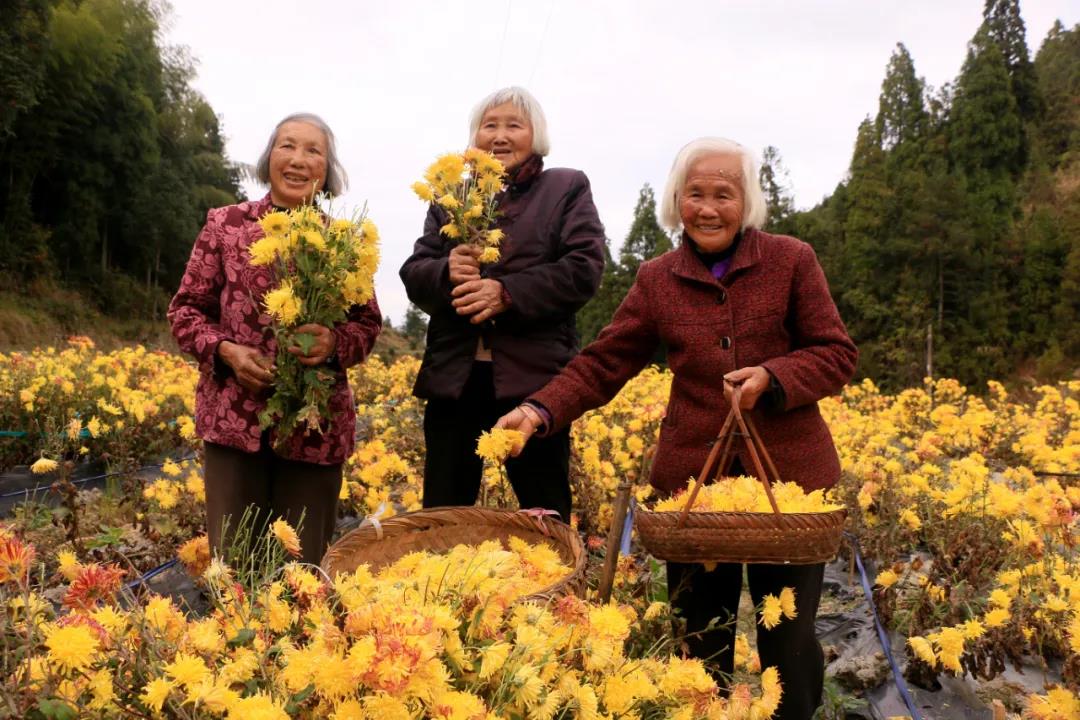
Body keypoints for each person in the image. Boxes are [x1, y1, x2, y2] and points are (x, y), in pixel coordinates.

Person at [496, 137, 858, 719]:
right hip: (694, 489)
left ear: (748, 202)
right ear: (676, 200)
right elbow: (604, 361)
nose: (708, 207)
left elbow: (836, 353)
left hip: (789, 489)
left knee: (788, 643)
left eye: (724, 193)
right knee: (697, 643)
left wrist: (773, 374)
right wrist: (540, 409)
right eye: (695, 193)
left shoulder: (791, 259)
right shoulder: (658, 277)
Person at [168, 113, 382, 565]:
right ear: (269, 159)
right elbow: (185, 311)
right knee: (235, 564)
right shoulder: (226, 225)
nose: (298, 160)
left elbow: (367, 326)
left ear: (327, 170)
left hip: (314, 428)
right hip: (234, 421)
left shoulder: (343, 242)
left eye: (313, 151)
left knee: (302, 572)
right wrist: (226, 351)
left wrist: (333, 343)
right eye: (287, 146)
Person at [400, 86, 605, 523]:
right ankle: (444, 591)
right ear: (473, 137)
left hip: (532, 383)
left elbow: (583, 268)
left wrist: (506, 293)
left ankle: (553, 590)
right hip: (455, 381)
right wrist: (445, 270)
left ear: (536, 135)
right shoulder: (451, 196)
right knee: (444, 515)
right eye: (489, 125)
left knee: (544, 512)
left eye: (514, 125)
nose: (500, 135)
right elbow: (415, 273)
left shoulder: (565, 187)